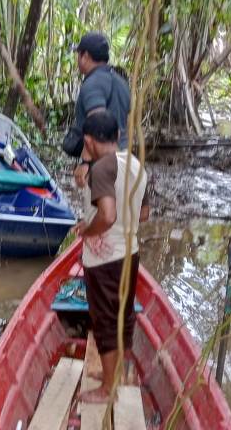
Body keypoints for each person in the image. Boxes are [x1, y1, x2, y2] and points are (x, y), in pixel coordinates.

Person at [71, 111, 149, 403]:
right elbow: (143, 213)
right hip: (130, 252)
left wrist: (88, 231)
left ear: (88, 140)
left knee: (104, 321)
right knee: (122, 317)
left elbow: (107, 215)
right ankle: (112, 374)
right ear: (117, 136)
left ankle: (107, 390)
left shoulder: (102, 168)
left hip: (104, 261)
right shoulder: (135, 165)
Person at [66, 32, 131, 188]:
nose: (77, 59)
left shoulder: (93, 83)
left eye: (78, 54)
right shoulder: (121, 82)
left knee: (101, 211)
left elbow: (97, 124)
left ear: (85, 56)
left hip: (101, 162)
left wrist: (86, 163)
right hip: (123, 157)